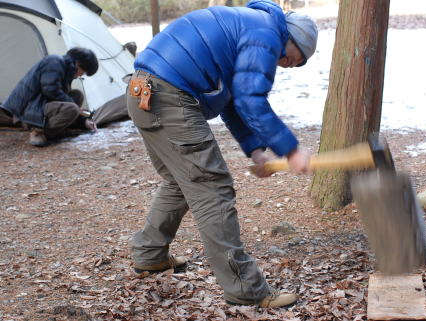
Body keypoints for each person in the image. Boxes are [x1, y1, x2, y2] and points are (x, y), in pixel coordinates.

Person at [126, 0, 318, 308]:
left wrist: (256, 150)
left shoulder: (250, 25)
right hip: (169, 95)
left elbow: (230, 100)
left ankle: (149, 254)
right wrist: (291, 150)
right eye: (298, 59)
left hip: (142, 93)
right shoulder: (267, 33)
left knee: (181, 181)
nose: (291, 66)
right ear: (293, 39)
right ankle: (246, 289)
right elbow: (250, 99)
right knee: (213, 189)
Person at [0, 47, 99, 146]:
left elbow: (60, 98)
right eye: (84, 72)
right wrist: (76, 107)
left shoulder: (67, 70)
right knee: (72, 108)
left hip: (42, 105)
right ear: (78, 64)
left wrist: (84, 121)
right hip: (30, 108)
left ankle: (54, 129)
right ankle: (38, 130)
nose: (82, 75)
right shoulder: (54, 61)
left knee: (77, 95)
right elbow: (50, 90)